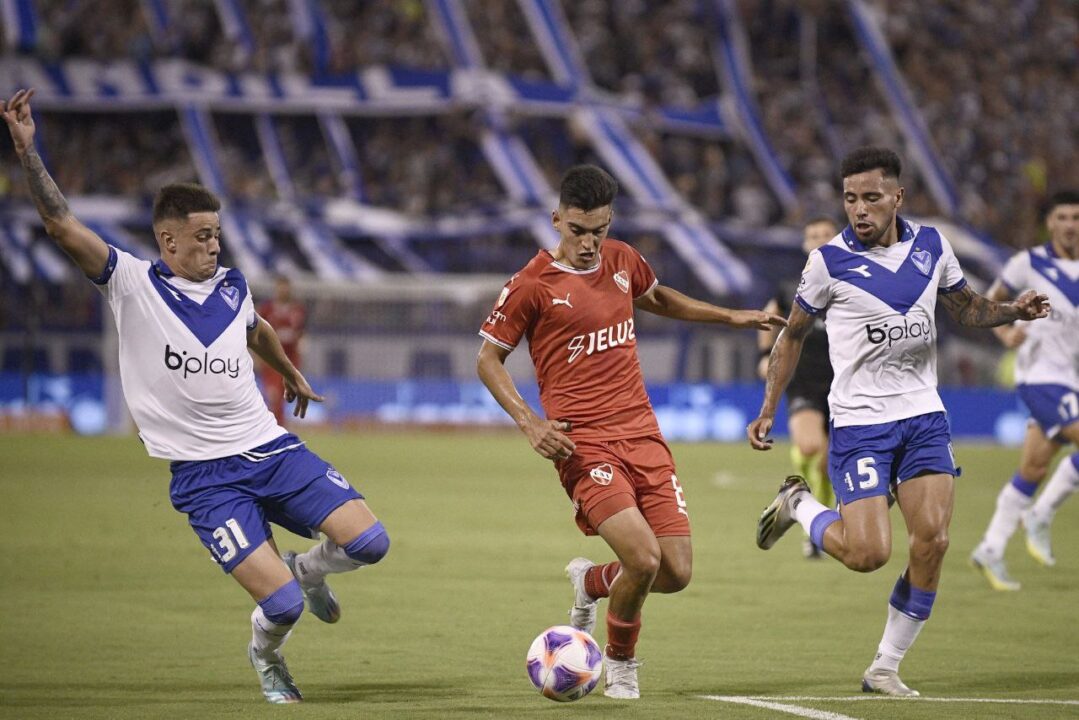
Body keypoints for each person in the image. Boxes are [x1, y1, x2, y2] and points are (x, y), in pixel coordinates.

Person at [1, 89, 390, 705]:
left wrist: (289, 373)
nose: (214, 246)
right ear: (168, 240)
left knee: (371, 543)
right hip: (206, 479)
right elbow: (61, 224)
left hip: (270, 449)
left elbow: (256, 331)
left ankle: (306, 568)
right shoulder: (130, 282)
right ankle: (267, 658)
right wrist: (28, 153)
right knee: (282, 607)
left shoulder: (234, 285)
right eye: (203, 236)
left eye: (217, 235)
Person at [747, 147, 1049, 697]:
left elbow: (966, 307)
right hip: (860, 422)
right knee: (867, 555)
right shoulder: (827, 262)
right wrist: (769, 407)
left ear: (898, 197)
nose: (859, 209)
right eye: (850, 198)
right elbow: (792, 336)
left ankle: (885, 666)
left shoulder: (932, 246)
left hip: (923, 415)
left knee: (932, 541)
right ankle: (799, 504)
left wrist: (1013, 311)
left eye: (871, 197)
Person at [477, 164, 785, 700]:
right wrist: (530, 423)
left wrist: (731, 317)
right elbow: (488, 359)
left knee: (675, 572)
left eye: (598, 230)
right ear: (556, 220)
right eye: (578, 230)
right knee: (642, 559)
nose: (589, 243)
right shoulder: (531, 284)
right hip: (583, 444)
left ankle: (591, 581)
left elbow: (659, 298)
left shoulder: (622, 260)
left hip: (643, 434)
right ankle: (620, 665)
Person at [970, 190, 1079, 590]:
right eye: (1062, 217)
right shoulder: (1027, 263)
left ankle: (990, 548)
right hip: (1039, 376)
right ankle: (1040, 513)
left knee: (1033, 468)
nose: (1070, 225)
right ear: (1049, 223)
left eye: (1076, 217)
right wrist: (1004, 333)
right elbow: (989, 301)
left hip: (1071, 378)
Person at [758, 217, 838, 558]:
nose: (819, 240)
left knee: (828, 465)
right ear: (805, 244)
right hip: (802, 378)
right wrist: (765, 356)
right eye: (813, 235)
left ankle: (817, 526)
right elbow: (768, 316)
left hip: (843, 383)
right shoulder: (792, 285)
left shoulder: (851, 282)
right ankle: (799, 493)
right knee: (809, 446)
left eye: (825, 235)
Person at [257, 276, 307, 424]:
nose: (283, 291)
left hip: (290, 360)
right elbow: (257, 334)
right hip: (271, 360)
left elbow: (301, 335)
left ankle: (278, 427)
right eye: (280, 287)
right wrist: (257, 357)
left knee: (283, 397)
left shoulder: (298, 310)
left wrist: (300, 357)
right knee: (273, 395)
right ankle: (274, 427)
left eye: (286, 288)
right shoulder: (266, 309)